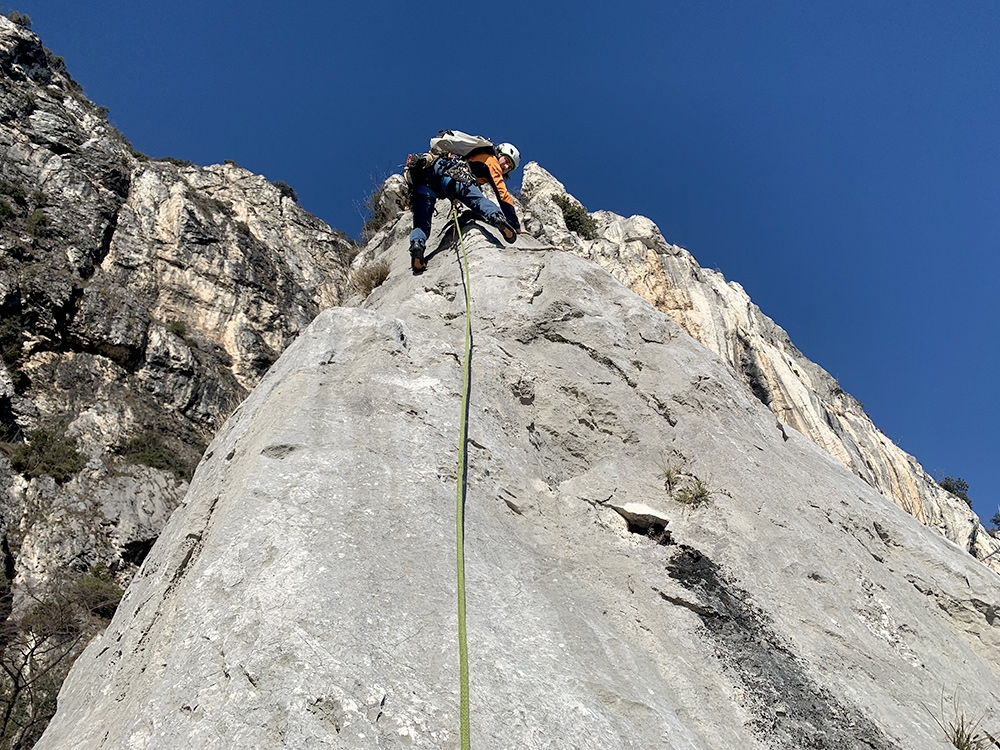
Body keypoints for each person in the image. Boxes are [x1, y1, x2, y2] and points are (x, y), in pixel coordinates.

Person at [407, 143, 522, 275]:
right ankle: (497, 218)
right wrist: (515, 225)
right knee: (478, 201)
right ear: (499, 154)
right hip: (452, 175)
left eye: (509, 167)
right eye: (506, 161)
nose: (506, 166)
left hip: (426, 178)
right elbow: (502, 193)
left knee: (421, 224)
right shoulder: (490, 159)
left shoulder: (471, 155)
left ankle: (417, 246)